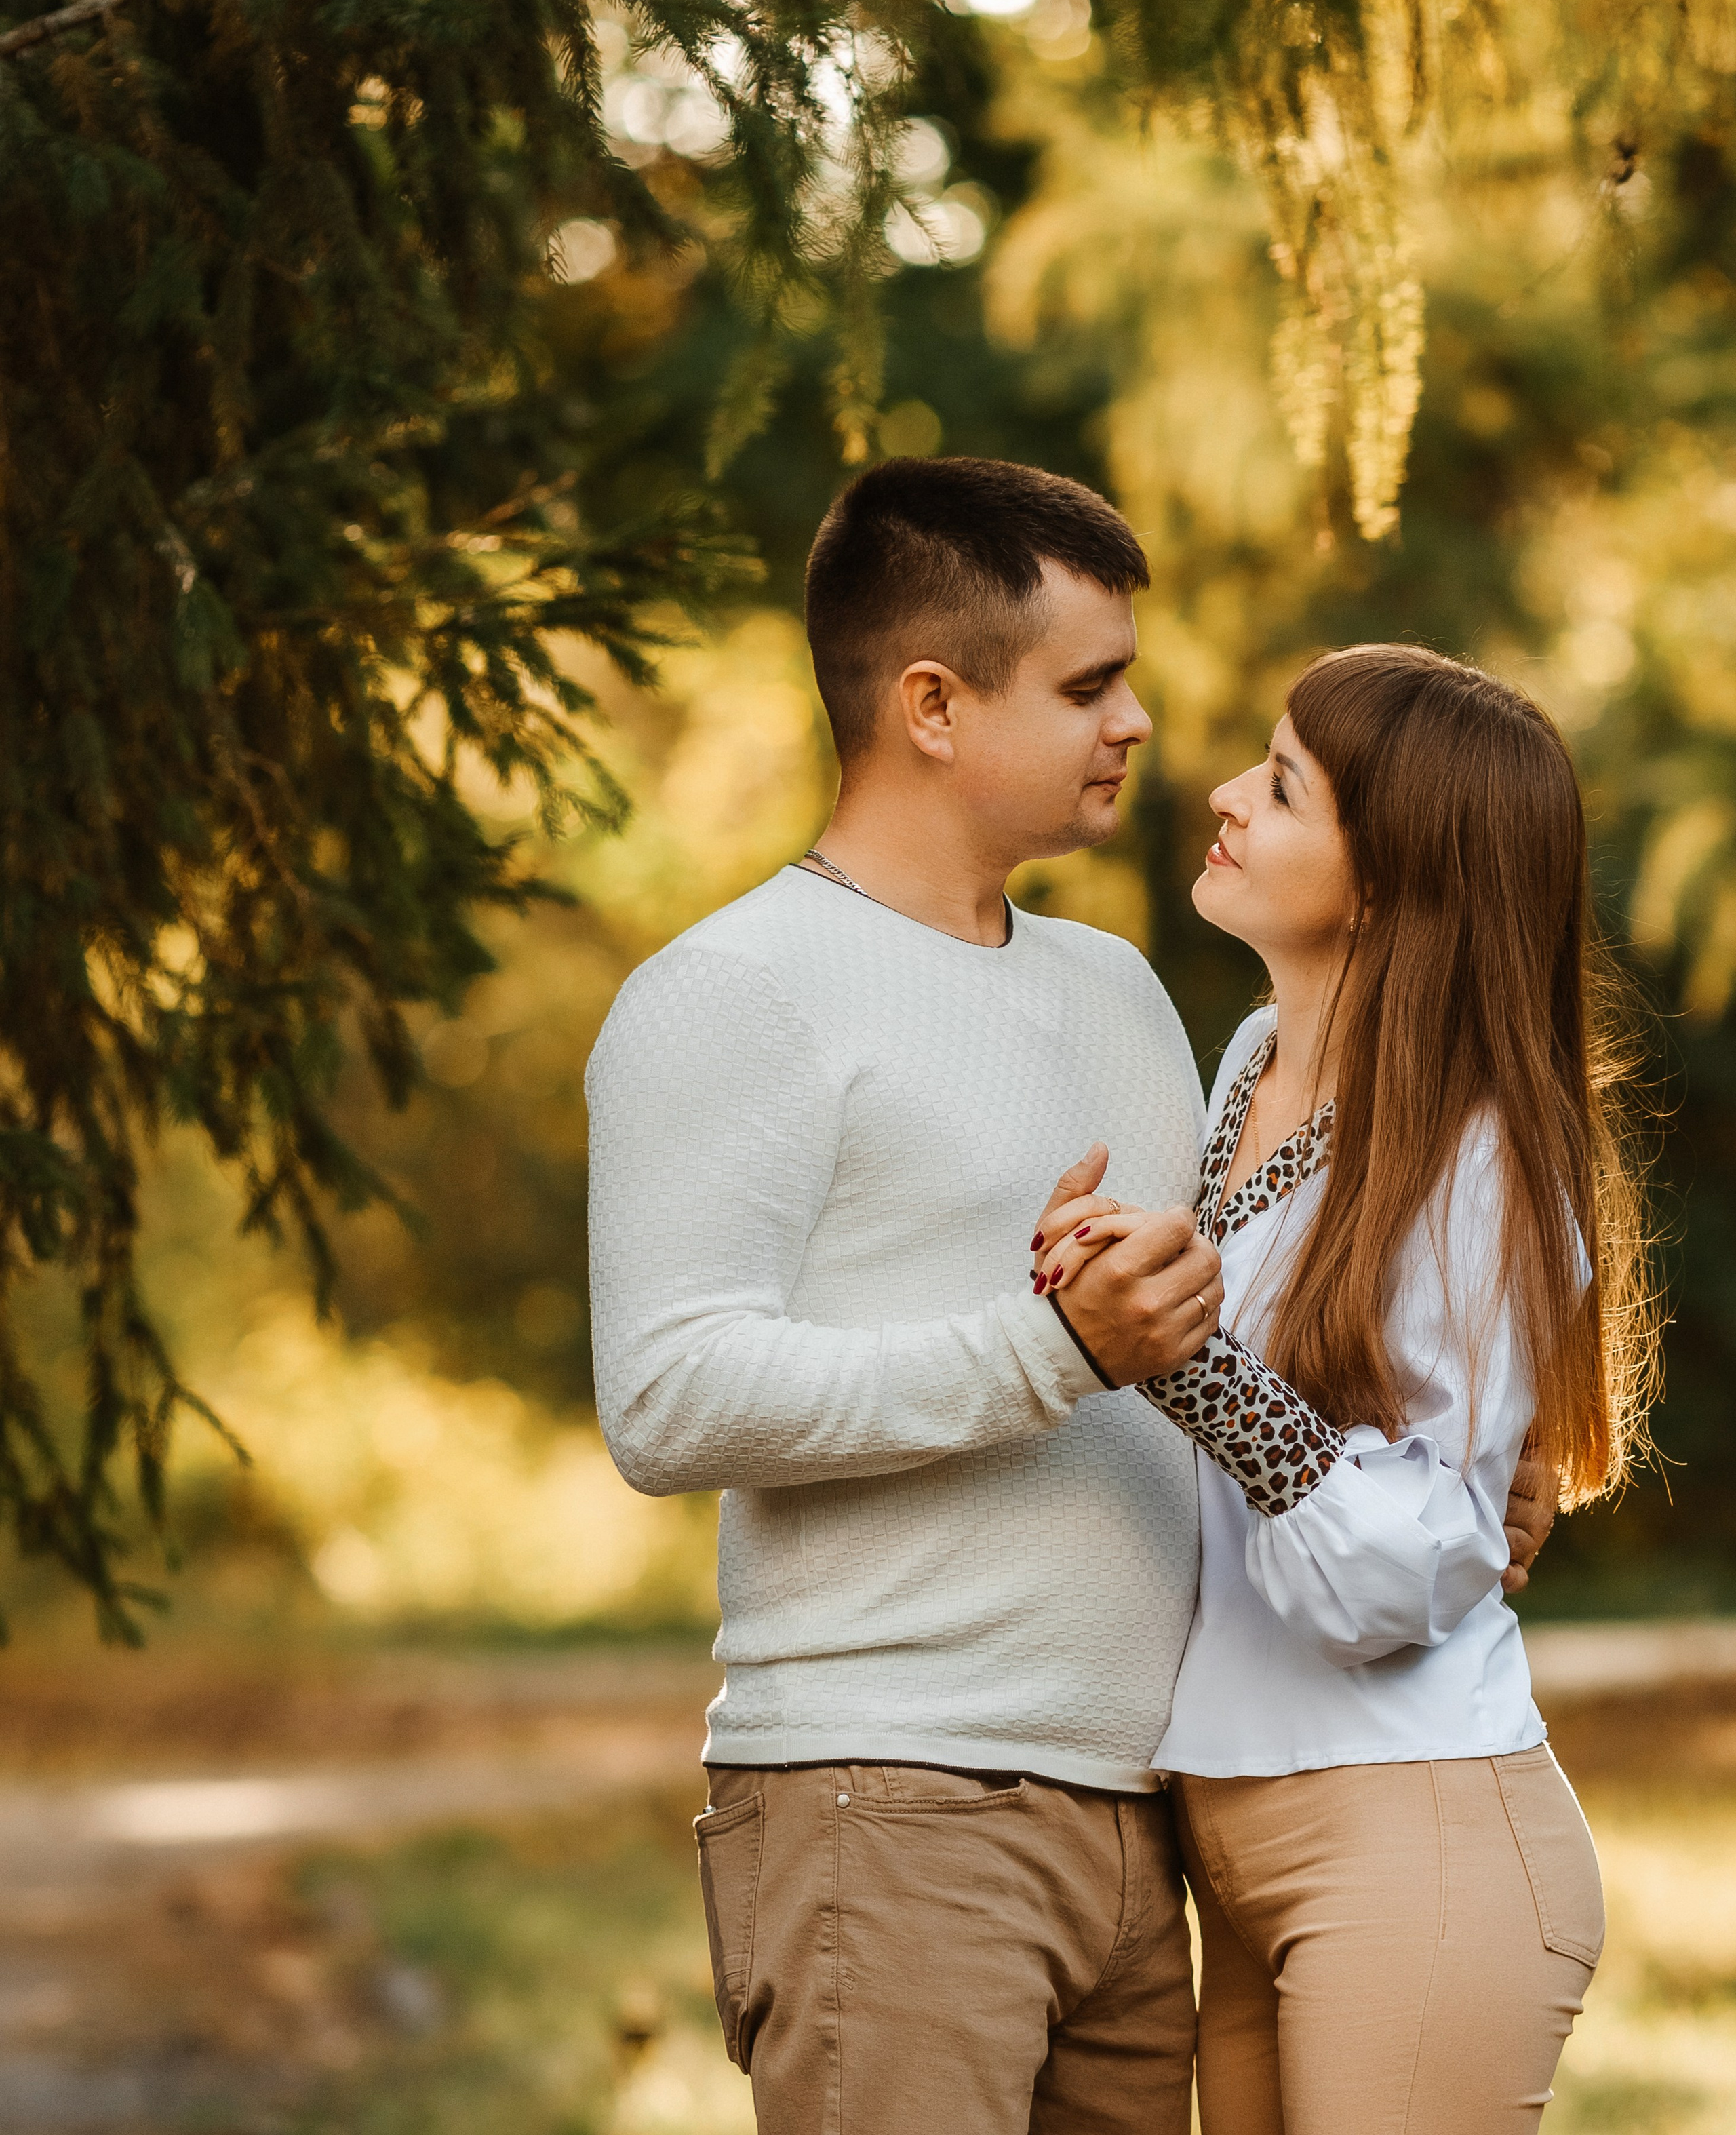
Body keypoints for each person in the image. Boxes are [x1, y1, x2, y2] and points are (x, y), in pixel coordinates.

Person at [587, 460, 1551, 2135]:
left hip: (1148, 1824)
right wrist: (1048, 1350)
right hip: (885, 1798)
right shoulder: (730, 992)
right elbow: (668, 1400)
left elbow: (1225, 1341)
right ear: (933, 704)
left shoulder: (1121, 997)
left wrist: (1458, 1498)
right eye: (1089, 684)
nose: (1139, 723)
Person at [1033, 644, 1657, 2135]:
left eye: (1282, 786)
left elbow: (1400, 1570)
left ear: (1383, 880)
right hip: (1233, 1842)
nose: (1225, 796)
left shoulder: (1484, 1159)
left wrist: (1186, 1363)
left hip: (1408, 1831)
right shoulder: (1248, 1062)